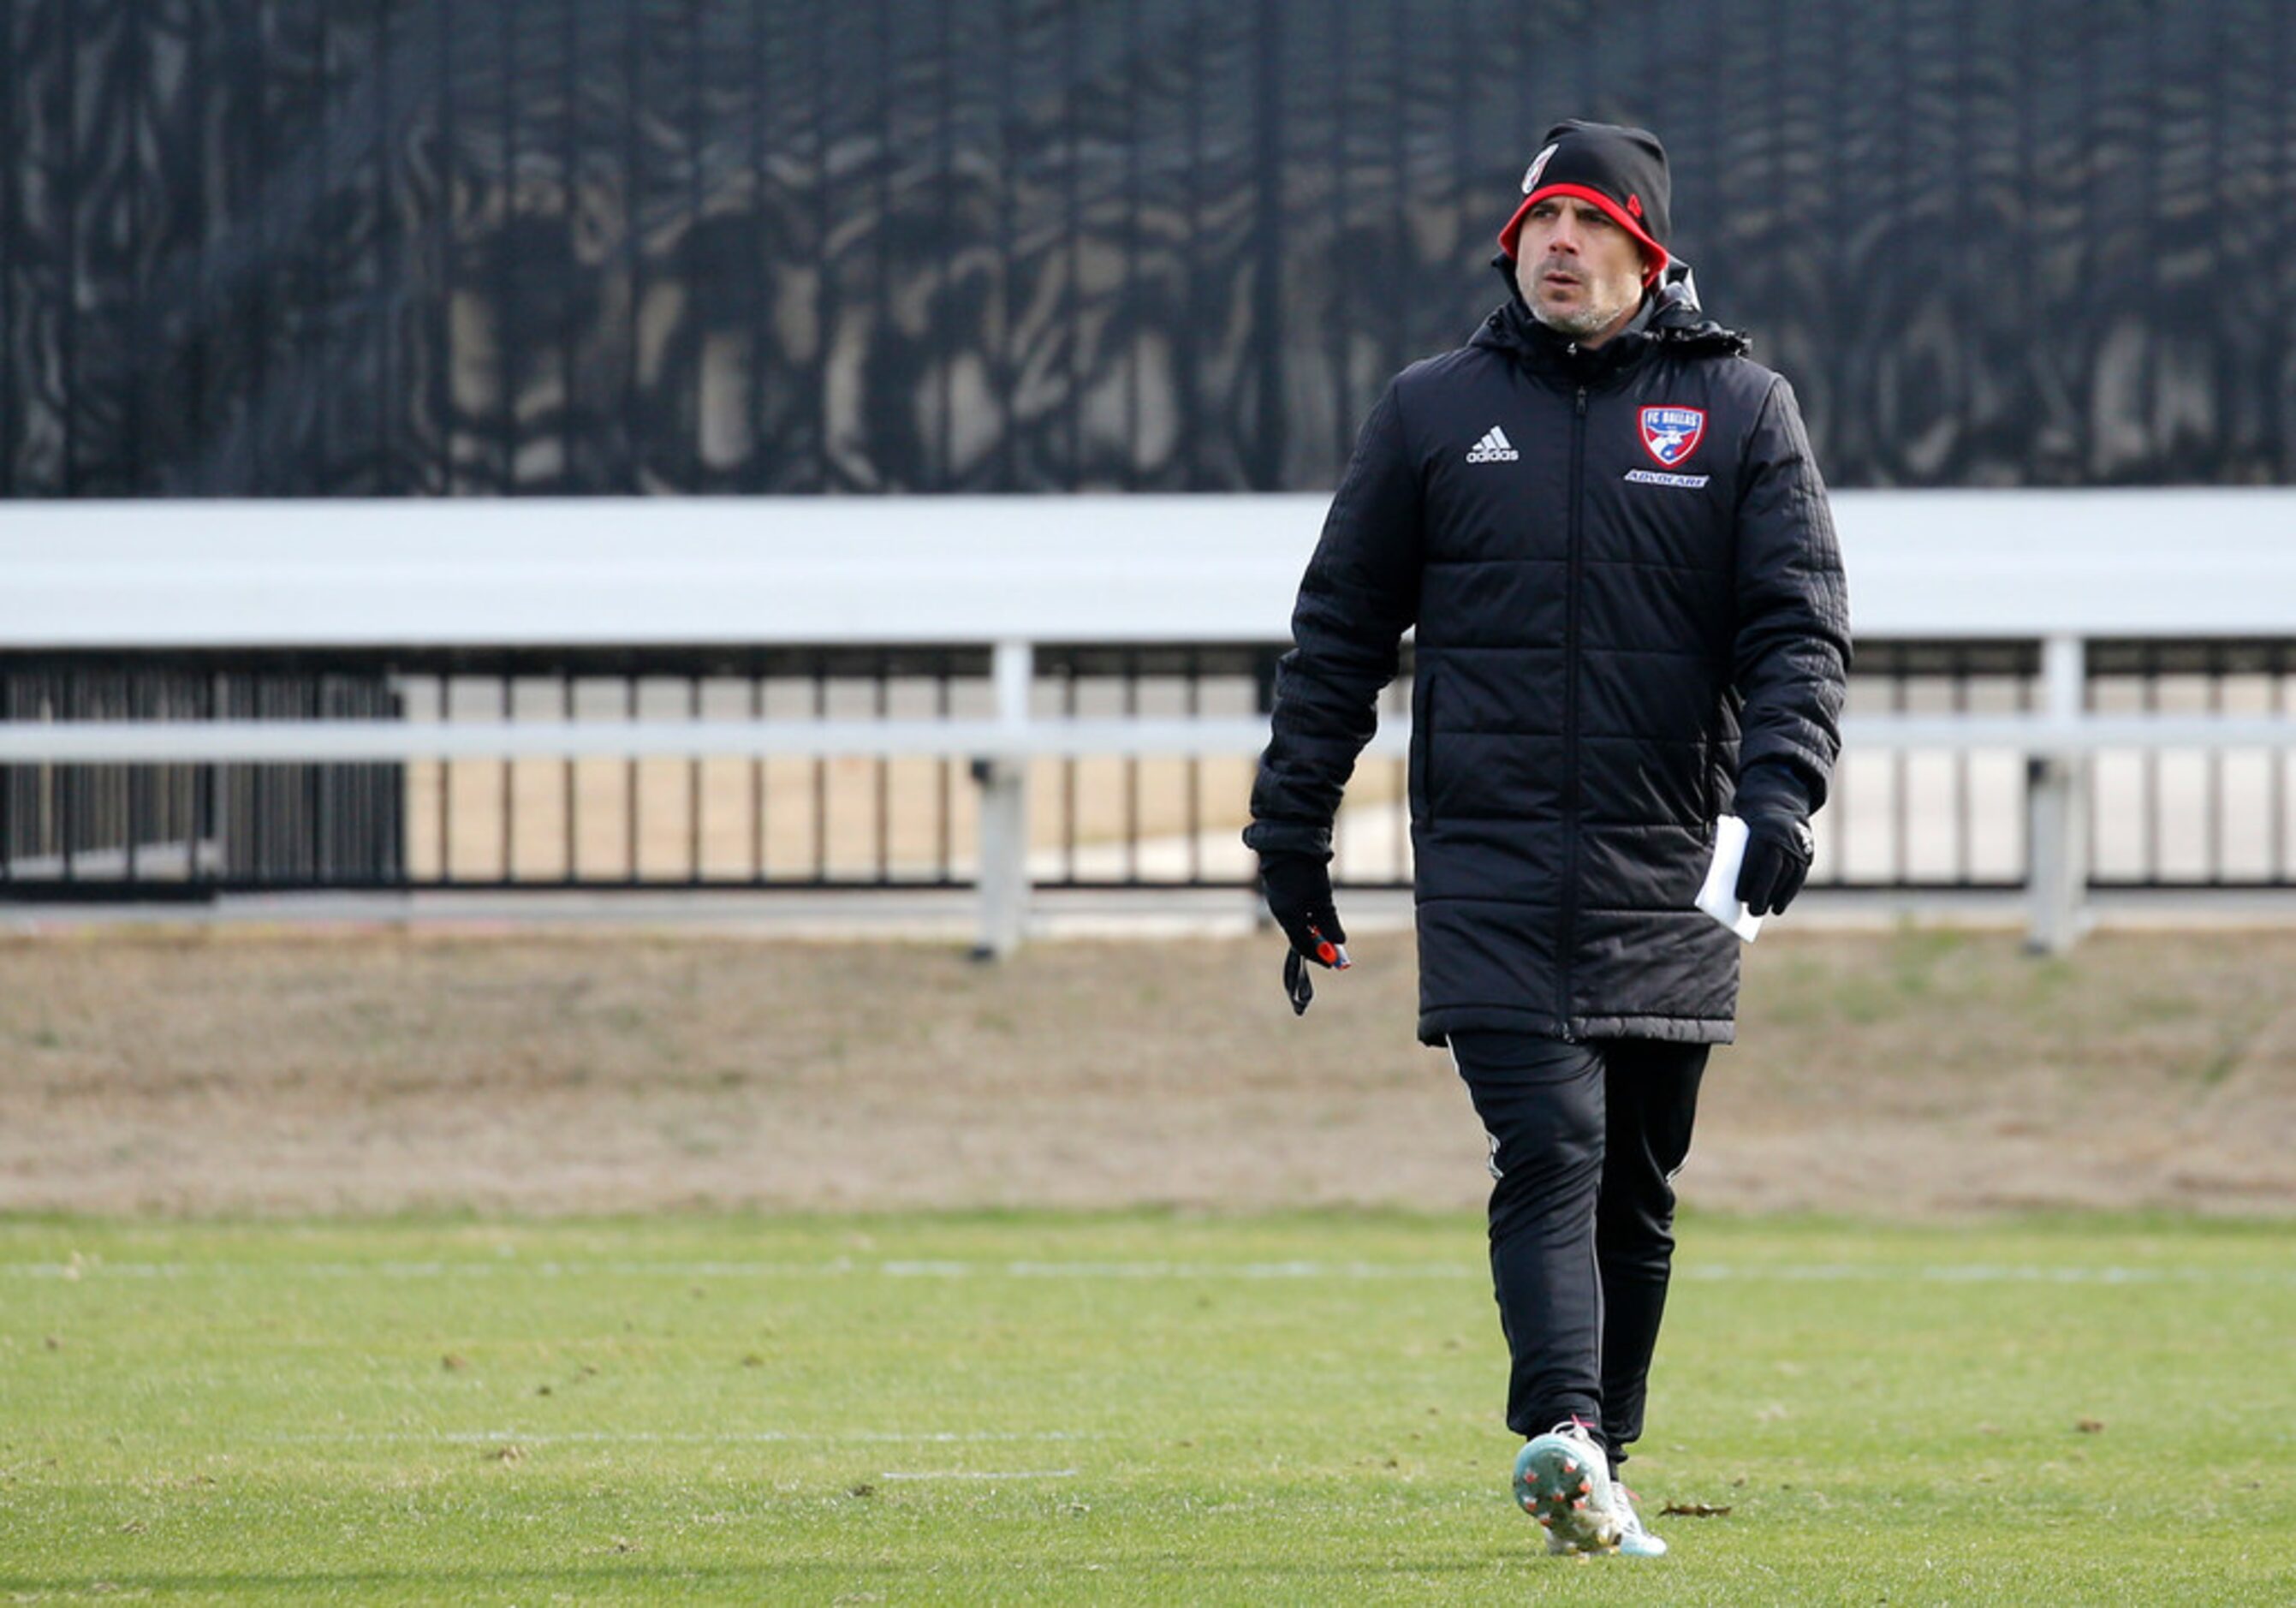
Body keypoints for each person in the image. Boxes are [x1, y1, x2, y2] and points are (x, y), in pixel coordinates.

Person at [1243, 119, 1850, 1558]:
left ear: (1648, 253)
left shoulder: (1743, 412)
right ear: (1510, 244)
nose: (1559, 245)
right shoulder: (1429, 411)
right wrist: (1292, 829)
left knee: (1638, 1186)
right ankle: (1565, 1426)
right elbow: (1336, 634)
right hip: (1489, 863)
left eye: (1591, 224)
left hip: (1668, 864)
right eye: (1540, 223)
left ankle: (1603, 1458)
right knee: (1551, 1144)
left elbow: (1796, 631)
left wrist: (1780, 796)